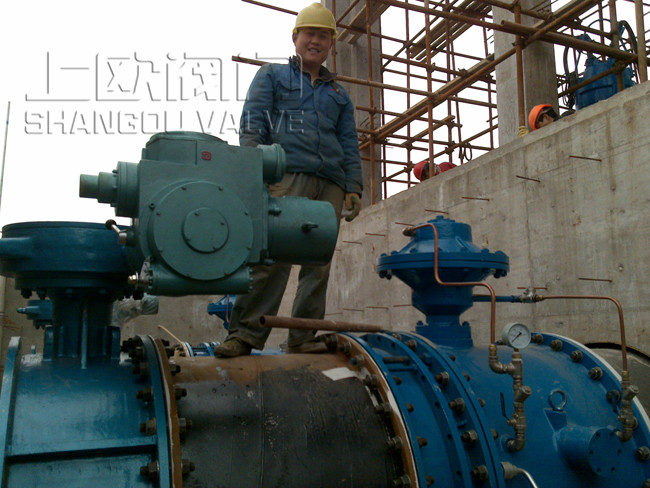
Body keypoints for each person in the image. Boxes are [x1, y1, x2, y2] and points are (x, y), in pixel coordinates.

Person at [214, 3, 363, 358]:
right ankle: (244, 334)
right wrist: (255, 169)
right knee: (271, 258)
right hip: (284, 176)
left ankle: (302, 337)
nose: (316, 41)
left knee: (318, 265)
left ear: (331, 44)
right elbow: (253, 123)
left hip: (330, 182)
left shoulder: (339, 95)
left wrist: (354, 187)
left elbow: (348, 143)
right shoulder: (273, 76)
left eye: (323, 36)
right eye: (309, 33)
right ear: (295, 37)